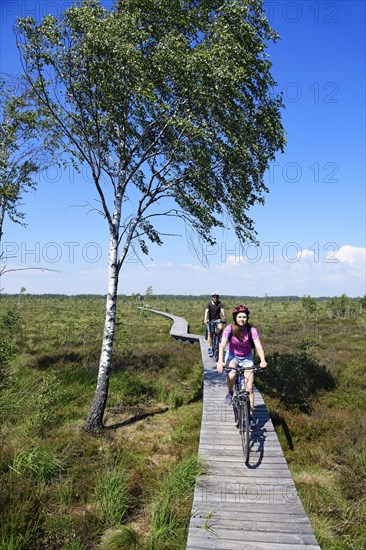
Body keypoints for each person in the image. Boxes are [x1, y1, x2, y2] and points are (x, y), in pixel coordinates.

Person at [217, 304, 267, 430]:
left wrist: (262, 360)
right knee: (232, 375)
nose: (242, 319)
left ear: (247, 318)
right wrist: (219, 361)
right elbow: (222, 345)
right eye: (239, 317)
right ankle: (230, 391)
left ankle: (250, 418)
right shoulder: (229, 328)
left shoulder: (252, 330)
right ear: (235, 318)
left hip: (247, 358)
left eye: (244, 317)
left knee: (249, 388)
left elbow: (258, 346)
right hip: (232, 356)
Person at [204, 292, 226, 357]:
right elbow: (206, 311)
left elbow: (222, 310)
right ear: (212, 297)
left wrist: (224, 317)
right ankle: (209, 348)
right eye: (214, 297)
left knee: (221, 327)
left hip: (217, 320)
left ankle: (218, 338)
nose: (215, 298)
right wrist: (205, 319)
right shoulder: (209, 304)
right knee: (209, 334)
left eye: (216, 297)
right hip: (210, 320)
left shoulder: (220, 303)